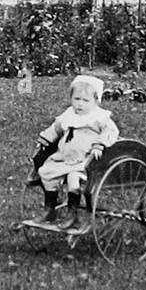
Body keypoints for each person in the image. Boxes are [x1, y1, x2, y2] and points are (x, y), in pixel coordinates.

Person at [33, 74, 119, 230]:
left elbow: (110, 133)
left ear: (96, 101)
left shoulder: (99, 117)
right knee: (46, 174)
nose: (80, 104)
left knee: (74, 182)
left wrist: (99, 145)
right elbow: (56, 128)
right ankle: (50, 208)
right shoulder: (69, 114)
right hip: (64, 157)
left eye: (85, 101)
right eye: (76, 99)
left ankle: (72, 214)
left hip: (84, 161)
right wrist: (45, 138)